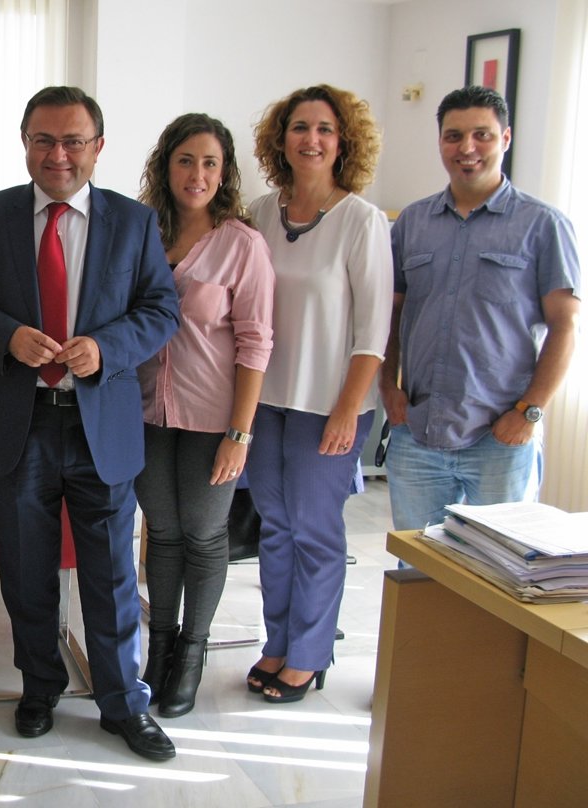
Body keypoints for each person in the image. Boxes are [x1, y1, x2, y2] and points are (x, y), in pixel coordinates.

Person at [0, 86, 180, 761]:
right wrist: (5, 335)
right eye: (44, 140)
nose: (58, 155)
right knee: (27, 571)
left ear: (98, 147)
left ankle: (123, 702)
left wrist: (107, 347)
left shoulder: (133, 222)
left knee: (110, 574)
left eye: (73, 141)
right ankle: (39, 687)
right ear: (25, 143)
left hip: (99, 424)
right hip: (18, 425)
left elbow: (161, 309)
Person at [244, 85, 392, 703]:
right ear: (281, 140)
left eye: (325, 129)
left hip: (327, 407)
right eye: (300, 127)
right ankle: (277, 642)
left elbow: (373, 331)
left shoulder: (362, 220)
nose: (311, 139)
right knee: (274, 528)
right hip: (263, 400)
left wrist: (348, 410)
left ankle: (309, 653)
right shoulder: (260, 213)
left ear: (343, 142)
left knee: (314, 531)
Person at [380, 86, 581, 530]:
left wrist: (529, 412)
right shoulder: (412, 222)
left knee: (499, 566)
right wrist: (388, 387)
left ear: (505, 138)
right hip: (418, 432)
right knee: (417, 565)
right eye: (453, 136)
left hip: (501, 439)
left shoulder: (543, 225)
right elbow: (390, 315)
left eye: (482, 135)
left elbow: (565, 327)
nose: (466, 148)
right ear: (440, 141)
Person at [134, 113, 274, 717]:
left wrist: (240, 433)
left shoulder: (242, 244)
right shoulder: (142, 232)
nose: (197, 174)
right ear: (166, 166)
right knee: (162, 533)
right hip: (144, 413)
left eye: (210, 163)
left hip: (213, 419)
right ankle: (160, 649)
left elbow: (256, 342)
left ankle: (192, 653)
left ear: (225, 172)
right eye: (186, 160)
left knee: (203, 533)